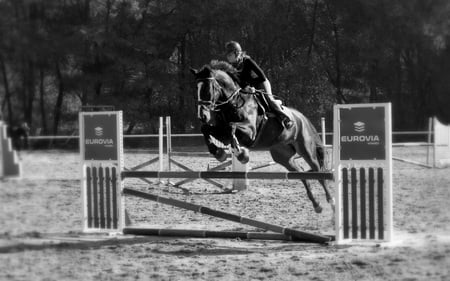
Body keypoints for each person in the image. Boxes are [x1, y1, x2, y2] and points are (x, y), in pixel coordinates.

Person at [224, 41, 293, 129]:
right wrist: (246, 87)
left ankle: (285, 118)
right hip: (247, 88)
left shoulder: (247, 61)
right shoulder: (230, 68)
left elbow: (261, 76)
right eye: (227, 55)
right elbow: (237, 82)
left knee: (269, 100)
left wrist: (253, 86)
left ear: (237, 53)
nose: (228, 57)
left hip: (261, 82)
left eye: (230, 55)